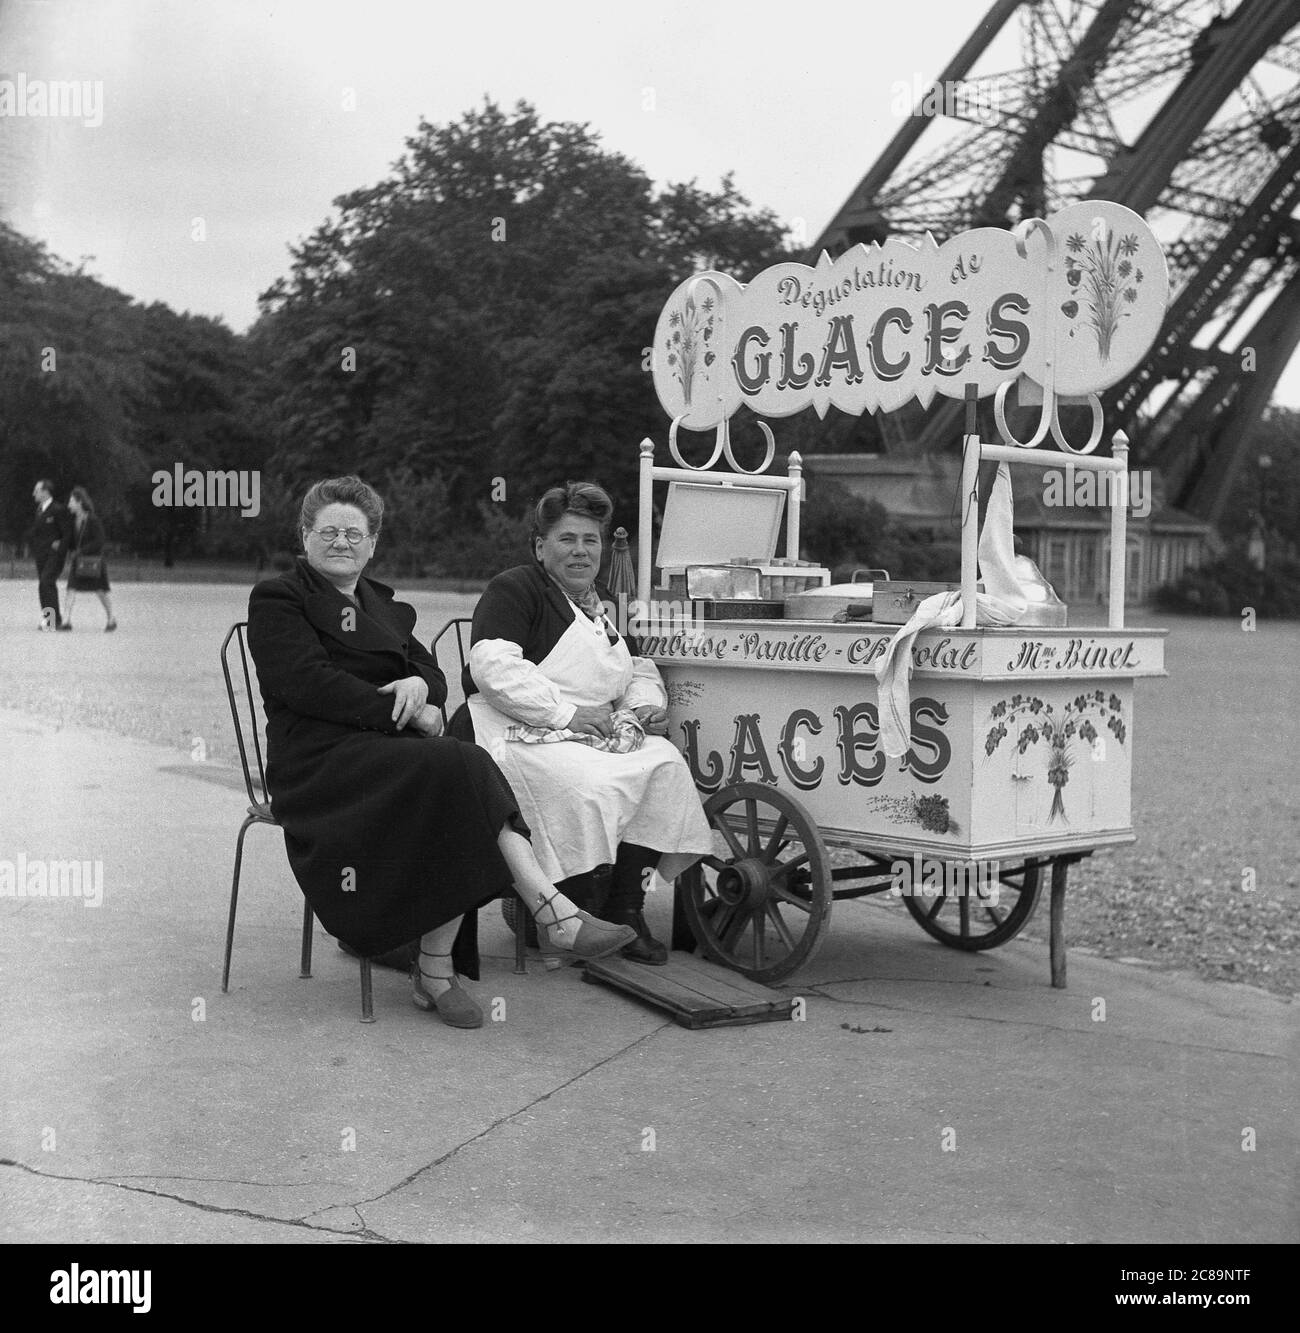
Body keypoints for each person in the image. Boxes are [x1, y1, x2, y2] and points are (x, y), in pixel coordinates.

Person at [246, 475, 636, 1029]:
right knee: (458, 763)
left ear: (373, 543)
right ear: (305, 536)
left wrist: (421, 689)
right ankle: (534, 923)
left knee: (459, 769)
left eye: (353, 533)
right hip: (319, 762)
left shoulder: (380, 603)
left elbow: (429, 669)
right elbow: (308, 684)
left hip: (387, 754)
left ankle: (474, 950)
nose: (341, 542)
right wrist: (404, 708)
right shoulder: (279, 598)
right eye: (327, 531)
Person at [464, 481, 713, 965]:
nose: (581, 551)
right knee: (586, 784)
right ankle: (566, 911)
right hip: (516, 730)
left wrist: (642, 706)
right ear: (541, 547)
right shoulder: (516, 589)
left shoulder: (604, 606)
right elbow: (492, 668)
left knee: (664, 765)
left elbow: (637, 669)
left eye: (590, 540)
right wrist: (567, 714)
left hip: (591, 730)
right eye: (567, 539)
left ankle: (627, 908)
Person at [64, 487, 118, 631]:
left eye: (71, 501)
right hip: (78, 562)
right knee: (71, 589)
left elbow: (100, 540)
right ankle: (66, 621)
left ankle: (111, 619)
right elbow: (72, 541)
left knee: (100, 591)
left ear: (79, 502)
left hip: (93, 562)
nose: (68, 504)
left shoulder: (92, 519)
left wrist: (81, 551)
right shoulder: (73, 520)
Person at [26, 479, 73, 630]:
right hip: (41, 556)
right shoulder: (39, 510)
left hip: (54, 556)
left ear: (46, 492)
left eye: (37, 490)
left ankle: (54, 620)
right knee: (44, 585)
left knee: (46, 582)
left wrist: (61, 549)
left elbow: (67, 532)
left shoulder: (58, 509)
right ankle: (50, 620)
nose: (34, 494)